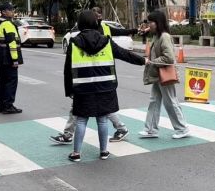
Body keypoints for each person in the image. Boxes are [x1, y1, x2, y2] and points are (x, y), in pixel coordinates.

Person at [50, 8, 149, 144]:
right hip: (102, 80)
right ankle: (108, 142)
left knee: (86, 112)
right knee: (103, 110)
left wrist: (70, 90)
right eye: (97, 16)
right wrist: (143, 61)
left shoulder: (75, 42)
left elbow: (68, 70)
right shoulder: (104, 40)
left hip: (88, 83)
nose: (100, 17)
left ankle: (71, 138)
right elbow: (123, 53)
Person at [140, 9, 190, 139]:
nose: (149, 24)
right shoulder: (157, 35)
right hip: (158, 73)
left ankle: (182, 128)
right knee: (154, 101)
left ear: (158, 22)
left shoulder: (164, 37)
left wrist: (151, 62)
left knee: (170, 102)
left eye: (151, 22)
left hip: (164, 73)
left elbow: (169, 58)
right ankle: (151, 129)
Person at [0, 2, 23, 114]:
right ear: (4, 12)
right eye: (10, 10)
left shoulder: (0, 23)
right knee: (11, 81)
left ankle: (2, 105)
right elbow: (12, 43)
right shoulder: (8, 24)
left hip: (1, 57)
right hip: (8, 58)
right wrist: (15, 60)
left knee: (3, 81)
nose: (13, 12)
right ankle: (8, 105)